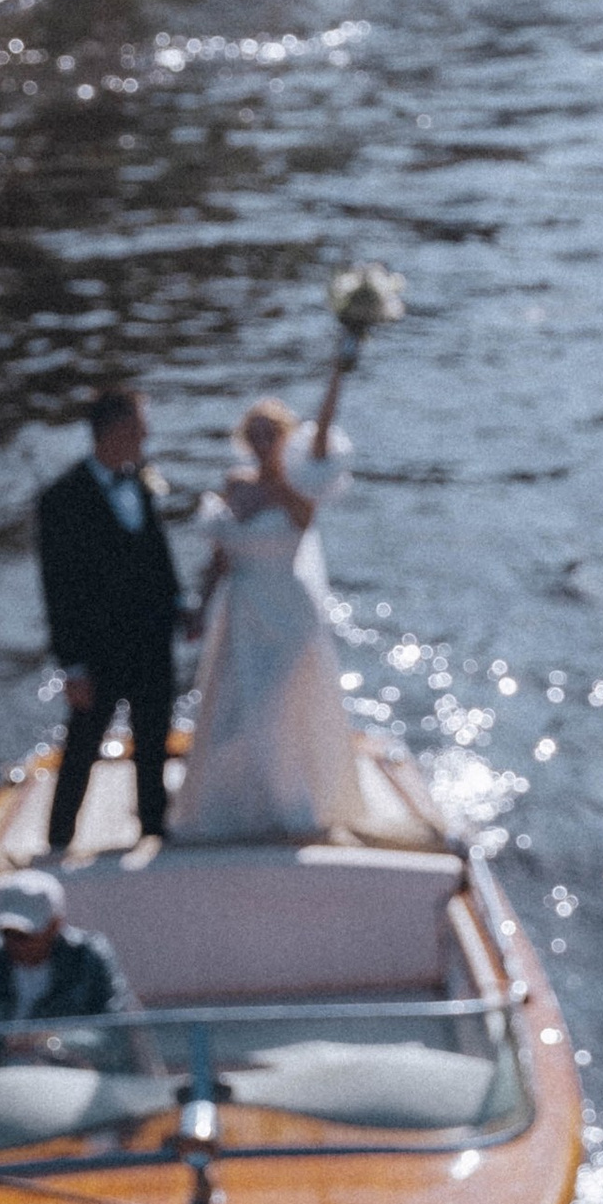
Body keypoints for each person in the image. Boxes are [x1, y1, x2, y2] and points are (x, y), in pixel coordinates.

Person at [172, 355, 415, 846]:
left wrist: (338, 372)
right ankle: (234, 810)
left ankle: (292, 808)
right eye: (255, 433)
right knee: (232, 712)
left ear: (285, 437)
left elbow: (323, 436)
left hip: (287, 614)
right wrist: (200, 605)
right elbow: (220, 557)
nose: (262, 441)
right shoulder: (234, 484)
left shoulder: (300, 489)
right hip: (240, 612)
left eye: (270, 433)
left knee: (277, 708)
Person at [36, 381, 184, 854]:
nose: (147, 434)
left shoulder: (139, 478)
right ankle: (59, 840)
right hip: (97, 652)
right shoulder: (61, 499)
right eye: (141, 426)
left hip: (151, 642)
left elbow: (157, 556)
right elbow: (57, 590)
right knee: (82, 747)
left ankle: (153, 828)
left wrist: (179, 606)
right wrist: (72, 665)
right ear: (117, 429)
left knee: (154, 740)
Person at [0, 872, 123, 1048]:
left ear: (55, 925)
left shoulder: (88, 959)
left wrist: (54, 1041)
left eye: (25, 935)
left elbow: (117, 1031)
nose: (14, 943)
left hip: (68, 1078)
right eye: (8, 933)